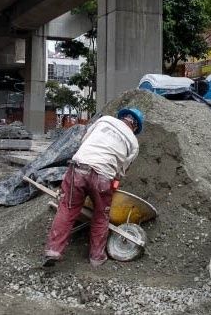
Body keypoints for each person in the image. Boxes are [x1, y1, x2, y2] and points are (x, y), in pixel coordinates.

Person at [43, 107, 144, 268]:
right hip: (103, 178)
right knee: (101, 216)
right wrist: (113, 185)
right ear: (136, 127)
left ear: (122, 117)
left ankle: (54, 250)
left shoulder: (104, 121)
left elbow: (84, 140)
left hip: (79, 168)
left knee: (67, 209)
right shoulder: (133, 143)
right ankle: (97, 257)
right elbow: (121, 171)